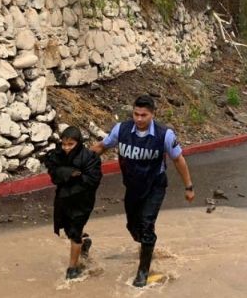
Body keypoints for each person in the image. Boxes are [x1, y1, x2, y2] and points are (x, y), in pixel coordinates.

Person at [91, 94, 195, 287]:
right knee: (133, 227)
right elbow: (101, 147)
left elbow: (178, 160)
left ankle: (143, 272)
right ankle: (147, 245)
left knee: (147, 225)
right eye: (136, 114)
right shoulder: (121, 130)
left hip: (155, 185)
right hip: (132, 187)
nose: (139, 119)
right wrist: (79, 161)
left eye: (144, 115)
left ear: (152, 115)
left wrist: (188, 186)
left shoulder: (165, 135)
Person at [46, 126, 102, 280]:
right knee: (67, 228)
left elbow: (92, 180)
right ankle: (84, 244)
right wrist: (70, 173)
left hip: (82, 201)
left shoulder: (90, 157)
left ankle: (72, 268)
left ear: (78, 143)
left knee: (74, 232)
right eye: (64, 144)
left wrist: (69, 176)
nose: (66, 148)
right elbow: (53, 173)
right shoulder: (56, 155)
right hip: (63, 199)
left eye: (70, 144)